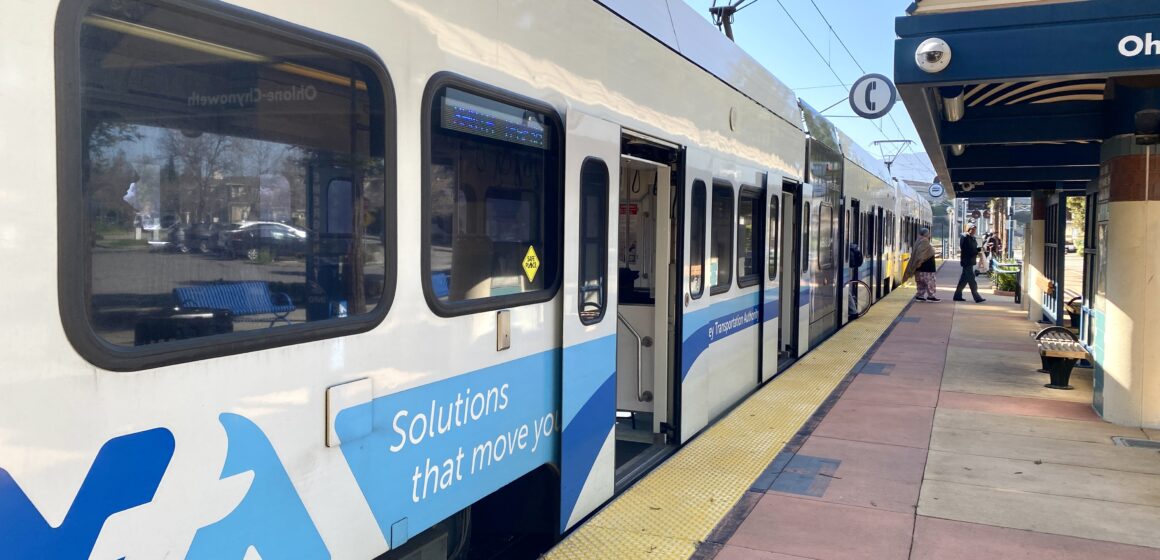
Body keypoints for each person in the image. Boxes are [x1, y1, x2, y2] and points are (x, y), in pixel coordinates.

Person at [903, 227, 938, 301]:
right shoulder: (925, 241)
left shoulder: (918, 241)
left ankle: (920, 296)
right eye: (928, 234)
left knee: (921, 283)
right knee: (930, 282)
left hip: (921, 268)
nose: (929, 235)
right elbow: (921, 254)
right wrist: (919, 262)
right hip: (926, 267)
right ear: (926, 234)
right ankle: (931, 296)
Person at [954, 225, 986, 303]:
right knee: (972, 280)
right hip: (967, 261)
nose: (974, 231)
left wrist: (979, 249)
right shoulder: (965, 237)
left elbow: (973, 248)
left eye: (975, 229)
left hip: (970, 261)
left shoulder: (972, 238)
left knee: (963, 280)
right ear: (968, 229)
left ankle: (957, 296)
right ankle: (977, 297)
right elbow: (965, 249)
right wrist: (976, 252)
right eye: (972, 229)